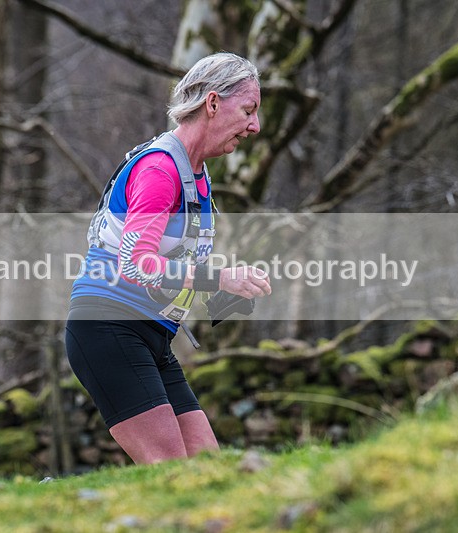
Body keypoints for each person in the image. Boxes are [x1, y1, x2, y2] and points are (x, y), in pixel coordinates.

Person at [65, 52, 272, 465]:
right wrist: (220, 279)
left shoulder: (196, 172)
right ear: (212, 103)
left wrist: (221, 292)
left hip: (153, 335)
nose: (255, 126)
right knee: (175, 474)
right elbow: (136, 262)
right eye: (248, 110)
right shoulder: (161, 169)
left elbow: (172, 264)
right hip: (109, 327)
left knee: (208, 470)